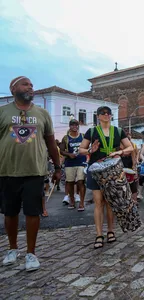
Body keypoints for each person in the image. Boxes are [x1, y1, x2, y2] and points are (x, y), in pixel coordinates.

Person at [0, 76, 61, 271]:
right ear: (13, 89)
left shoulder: (42, 113)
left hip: (35, 171)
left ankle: (31, 253)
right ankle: (12, 249)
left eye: (32, 85)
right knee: (9, 213)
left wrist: (58, 167)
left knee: (33, 212)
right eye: (25, 84)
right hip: (7, 171)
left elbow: (51, 142)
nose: (31, 87)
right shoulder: (2, 112)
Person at [79, 106, 133, 249]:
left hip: (113, 169)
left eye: (109, 113)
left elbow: (130, 148)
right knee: (98, 202)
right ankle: (98, 234)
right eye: (103, 113)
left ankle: (110, 231)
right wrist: (90, 150)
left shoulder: (118, 131)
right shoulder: (91, 131)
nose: (106, 115)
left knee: (110, 202)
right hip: (96, 169)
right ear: (98, 116)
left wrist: (120, 152)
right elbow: (81, 149)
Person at [60, 119, 86, 211]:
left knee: (80, 181)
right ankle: (72, 200)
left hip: (81, 162)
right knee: (70, 183)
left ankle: (82, 203)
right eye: (72, 125)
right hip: (70, 163)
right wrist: (69, 154)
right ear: (69, 126)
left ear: (78, 126)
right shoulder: (65, 138)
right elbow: (61, 151)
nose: (74, 126)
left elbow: (87, 148)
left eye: (76, 125)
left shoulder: (83, 136)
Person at [120, 132, 139, 203]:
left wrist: (135, 171)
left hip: (130, 169)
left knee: (133, 187)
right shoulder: (117, 148)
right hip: (120, 171)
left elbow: (134, 162)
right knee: (122, 188)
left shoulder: (132, 147)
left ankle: (134, 203)